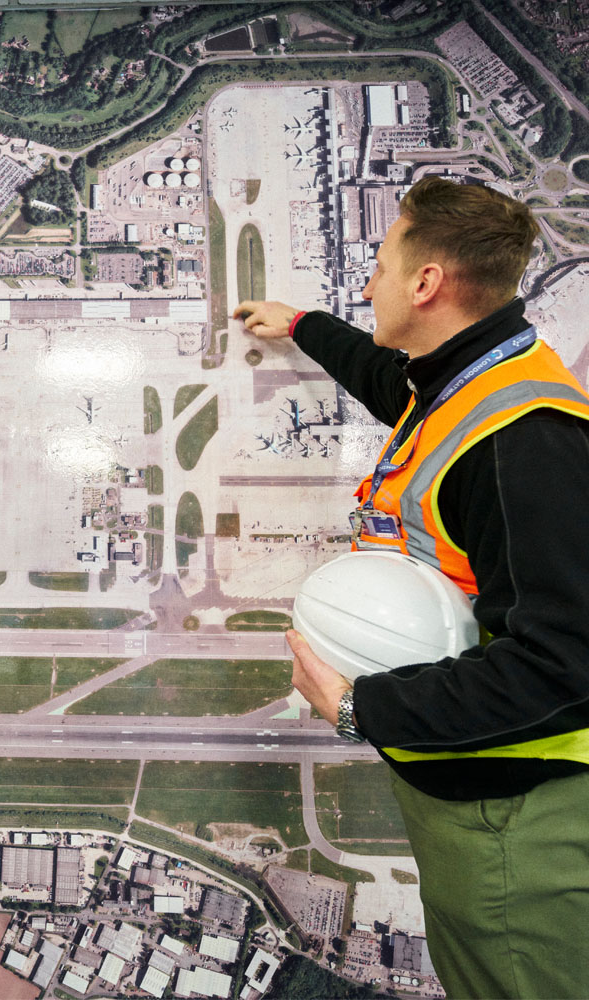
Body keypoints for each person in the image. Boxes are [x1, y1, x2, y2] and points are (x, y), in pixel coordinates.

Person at [235, 176, 589, 999]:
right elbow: (393, 383)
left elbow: (565, 662)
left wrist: (362, 709)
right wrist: (301, 326)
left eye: (383, 265)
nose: (370, 284)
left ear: (427, 283)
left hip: (518, 812)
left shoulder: (526, 444)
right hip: (484, 790)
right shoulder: (479, 378)